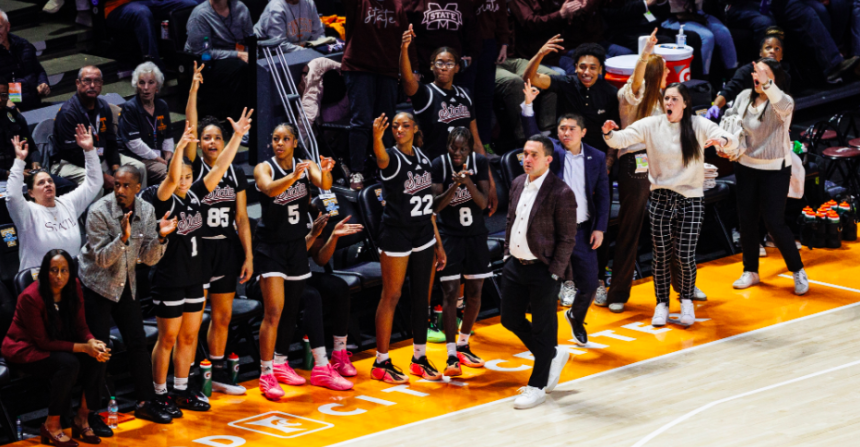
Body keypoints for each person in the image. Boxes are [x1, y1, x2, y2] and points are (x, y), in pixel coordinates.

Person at [603, 83, 738, 328]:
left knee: (685, 256)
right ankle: (661, 304)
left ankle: (686, 302)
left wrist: (724, 139)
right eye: (666, 99)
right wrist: (609, 133)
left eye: (675, 99)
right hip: (661, 197)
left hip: (691, 198)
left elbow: (727, 138)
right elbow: (621, 139)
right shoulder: (652, 124)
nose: (669, 104)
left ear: (685, 104)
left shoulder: (698, 124)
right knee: (661, 256)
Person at [148, 111, 250, 415]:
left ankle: (181, 390)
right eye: (180, 175)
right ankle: (159, 393)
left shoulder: (194, 197)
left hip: (194, 275)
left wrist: (238, 138)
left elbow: (220, 167)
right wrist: (179, 149)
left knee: (190, 336)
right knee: (167, 338)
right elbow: (169, 178)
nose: (183, 180)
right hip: (169, 277)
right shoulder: (164, 197)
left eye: (188, 177)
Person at [253, 123, 351, 400]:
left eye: (285, 139)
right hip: (271, 248)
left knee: (292, 308)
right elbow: (268, 189)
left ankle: (286, 363)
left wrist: (326, 170)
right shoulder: (266, 167)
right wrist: (294, 177)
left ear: (295, 142)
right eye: (275, 138)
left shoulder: (304, 166)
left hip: (297, 245)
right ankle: (266, 373)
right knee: (273, 311)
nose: (280, 143)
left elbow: (325, 186)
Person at [78, 164, 176, 426]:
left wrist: (162, 239)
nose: (119, 190)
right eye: (116, 185)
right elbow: (100, 260)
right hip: (96, 286)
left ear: (137, 188)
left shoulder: (146, 210)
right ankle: (90, 414)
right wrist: (122, 238)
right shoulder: (99, 211)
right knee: (99, 350)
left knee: (137, 342)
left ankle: (145, 402)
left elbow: (147, 257)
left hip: (125, 283)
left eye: (125, 186)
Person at [182, 62, 253, 395]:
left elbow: (242, 218)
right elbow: (191, 127)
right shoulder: (194, 167)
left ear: (225, 143)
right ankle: (194, 374)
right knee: (196, 318)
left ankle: (218, 372)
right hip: (199, 249)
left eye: (217, 138)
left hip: (226, 248)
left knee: (223, 316)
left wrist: (248, 255)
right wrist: (194, 90)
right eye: (207, 138)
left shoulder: (235, 172)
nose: (211, 142)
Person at [1, 249, 110, 446]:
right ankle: (51, 425)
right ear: (45, 272)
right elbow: (43, 343)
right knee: (68, 364)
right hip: (26, 349)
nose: (59, 276)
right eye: (53, 270)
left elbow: (81, 326)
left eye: (64, 270)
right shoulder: (30, 297)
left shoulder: (74, 286)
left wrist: (92, 341)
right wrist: (84, 347)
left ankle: (82, 417)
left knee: (99, 355)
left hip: (58, 343)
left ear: (71, 272)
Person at [521, 106, 609, 346]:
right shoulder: (554, 154)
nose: (566, 133)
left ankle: (576, 318)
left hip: (581, 230)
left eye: (572, 129)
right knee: (546, 287)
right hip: (551, 232)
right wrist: (529, 107)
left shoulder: (597, 157)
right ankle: (543, 337)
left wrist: (600, 228)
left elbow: (602, 195)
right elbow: (534, 136)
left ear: (583, 132)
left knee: (590, 284)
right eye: (562, 129)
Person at [369, 112, 446, 384]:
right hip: (396, 234)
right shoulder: (391, 157)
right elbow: (380, 157)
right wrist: (377, 138)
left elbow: (430, 204)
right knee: (392, 295)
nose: (400, 129)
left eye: (405, 125)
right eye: (396, 126)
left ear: (415, 128)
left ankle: (419, 358)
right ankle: (381, 362)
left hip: (423, 232)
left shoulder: (424, 158)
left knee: (421, 297)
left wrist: (438, 242)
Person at [500, 135, 576, 409]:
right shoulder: (518, 183)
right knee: (509, 319)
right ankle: (553, 355)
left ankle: (537, 386)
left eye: (533, 154)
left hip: (543, 270)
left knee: (544, 329)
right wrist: (507, 253)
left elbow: (568, 239)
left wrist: (555, 273)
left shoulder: (561, 192)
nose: (527, 159)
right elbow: (511, 220)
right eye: (524, 153)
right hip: (515, 265)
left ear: (548, 159)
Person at [722, 59, 809, 295]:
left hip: (775, 169)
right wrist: (723, 143)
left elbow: (781, 104)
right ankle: (750, 270)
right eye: (755, 72)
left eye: (763, 73)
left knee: (773, 221)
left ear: (774, 79)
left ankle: (797, 269)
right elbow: (728, 123)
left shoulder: (784, 102)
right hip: (746, 166)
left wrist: (767, 82)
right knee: (747, 220)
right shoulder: (742, 97)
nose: (756, 77)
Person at [399, 30, 498, 214]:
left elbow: (476, 142)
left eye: (449, 63)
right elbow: (407, 81)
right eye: (439, 63)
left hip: (463, 170)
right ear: (431, 67)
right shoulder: (426, 94)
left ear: (457, 68)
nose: (444, 67)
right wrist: (404, 49)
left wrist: (490, 182)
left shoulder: (465, 95)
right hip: (434, 171)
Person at [430, 127, 491, 376]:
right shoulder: (439, 164)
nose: (458, 153)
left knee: (475, 291)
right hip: (450, 236)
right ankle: (451, 354)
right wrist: (455, 186)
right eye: (454, 148)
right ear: (448, 145)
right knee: (450, 294)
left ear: (469, 149)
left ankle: (464, 344)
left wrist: (468, 182)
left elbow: (483, 202)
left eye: (463, 149)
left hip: (475, 235)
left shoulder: (480, 162)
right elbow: (436, 205)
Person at [8, 126, 102, 272]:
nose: (47, 184)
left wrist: (89, 151)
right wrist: (19, 162)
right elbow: (12, 196)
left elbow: (94, 183)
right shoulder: (27, 212)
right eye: (41, 183)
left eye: (50, 181)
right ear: (31, 193)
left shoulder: (68, 203)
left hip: (70, 279)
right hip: (38, 282)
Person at [340, 0, 407, 190]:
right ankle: (357, 170)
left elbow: (405, 37)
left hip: (388, 68)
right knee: (361, 120)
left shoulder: (398, 4)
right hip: (359, 67)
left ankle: (384, 167)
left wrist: (412, 67)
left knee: (385, 120)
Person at [52, 66, 146, 197]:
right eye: (87, 81)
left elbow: (111, 142)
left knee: (138, 168)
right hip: (70, 163)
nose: (92, 85)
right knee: (95, 181)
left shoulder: (103, 107)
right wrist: (103, 175)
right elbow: (72, 154)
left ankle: (137, 211)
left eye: (97, 81)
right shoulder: (68, 113)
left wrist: (116, 169)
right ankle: (97, 217)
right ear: (77, 83)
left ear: (101, 84)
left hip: (100, 158)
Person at [523, 38, 621, 155]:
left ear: (600, 69)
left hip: (596, 154)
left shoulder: (610, 92)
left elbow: (614, 132)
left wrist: (607, 165)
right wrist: (540, 54)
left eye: (593, 68)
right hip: (563, 152)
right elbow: (530, 78)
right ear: (575, 67)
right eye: (582, 67)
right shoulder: (565, 83)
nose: (587, 72)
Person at [306, 212, 365, 377]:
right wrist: (312, 234)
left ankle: (339, 353)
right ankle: (321, 364)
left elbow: (321, 260)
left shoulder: (311, 214)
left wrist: (333, 236)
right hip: (279, 277)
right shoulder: (280, 214)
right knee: (311, 296)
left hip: (302, 274)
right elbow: (291, 256)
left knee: (339, 286)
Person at [185, 0, 254, 122]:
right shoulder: (200, 15)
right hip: (205, 63)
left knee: (259, 65)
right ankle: (238, 122)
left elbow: (249, 38)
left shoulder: (241, 8)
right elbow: (202, 52)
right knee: (241, 69)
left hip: (236, 57)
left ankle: (256, 119)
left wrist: (251, 54)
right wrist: (236, 54)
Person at [706, 28, 791, 120]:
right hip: (745, 116)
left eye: (777, 49)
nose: (772, 51)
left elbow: (784, 105)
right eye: (768, 47)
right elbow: (729, 91)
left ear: (781, 55)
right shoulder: (746, 72)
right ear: (761, 53)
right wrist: (716, 106)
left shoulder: (785, 77)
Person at [119, 62, 174, 188]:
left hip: (160, 156)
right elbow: (134, 144)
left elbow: (168, 136)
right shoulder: (130, 108)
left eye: (151, 82)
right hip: (139, 158)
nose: (146, 87)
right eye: (142, 83)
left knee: (185, 166)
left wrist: (168, 157)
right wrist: (160, 160)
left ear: (157, 86)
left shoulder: (162, 106)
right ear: (136, 86)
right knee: (170, 175)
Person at [404, 0, 480, 89]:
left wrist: (471, 54)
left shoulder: (464, 4)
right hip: (424, 72)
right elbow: (405, 34)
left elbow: (473, 33)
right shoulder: (413, 3)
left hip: (454, 73)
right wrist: (413, 69)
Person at [105, 0, 200, 67]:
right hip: (117, 6)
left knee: (190, 4)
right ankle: (155, 68)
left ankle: (190, 60)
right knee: (142, 13)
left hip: (147, 2)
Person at [662, 0, 738, 76]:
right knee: (707, 37)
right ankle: (703, 79)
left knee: (723, 33)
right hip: (675, 17)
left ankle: (732, 77)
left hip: (699, 13)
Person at [473, 0, 510, 146]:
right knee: (467, 97)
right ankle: (467, 145)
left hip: (489, 44)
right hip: (466, 43)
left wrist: (504, 43)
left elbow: (502, 17)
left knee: (485, 97)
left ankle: (485, 143)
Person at [0, 11, 51, 111]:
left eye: (0, 27)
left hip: (33, 102)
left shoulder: (23, 45)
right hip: (9, 110)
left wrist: (42, 83)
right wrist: (9, 105)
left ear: (8, 27)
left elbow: (38, 70)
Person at [254, 0, 325, 51]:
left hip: (302, 50)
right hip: (267, 52)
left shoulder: (309, 2)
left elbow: (318, 33)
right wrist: (308, 53)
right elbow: (279, 45)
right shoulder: (276, 7)